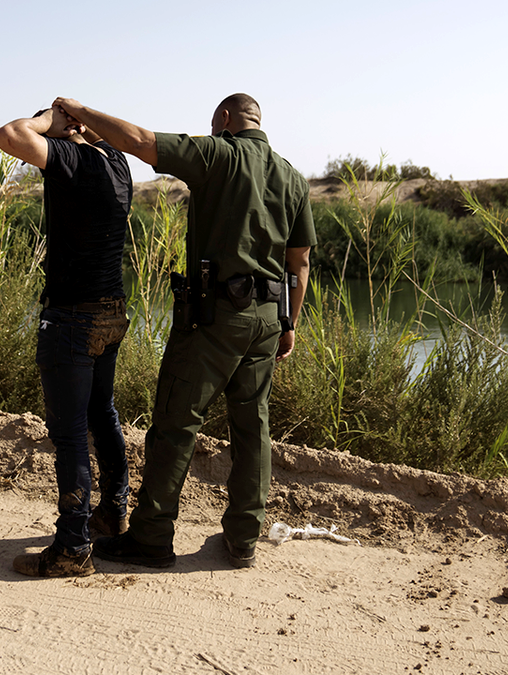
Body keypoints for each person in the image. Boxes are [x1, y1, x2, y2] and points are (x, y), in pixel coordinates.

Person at [52, 94, 316, 569]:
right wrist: (288, 323)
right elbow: (300, 262)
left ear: (225, 120)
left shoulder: (217, 153)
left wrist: (81, 111)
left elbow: (141, 142)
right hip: (265, 321)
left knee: (176, 423)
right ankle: (243, 539)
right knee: (252, 427)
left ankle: (151, 539)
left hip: (214, 317)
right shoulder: (292, 176)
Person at [0, 106, 133, 577]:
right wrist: (77, 123)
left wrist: (46, 122)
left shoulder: (75, 161)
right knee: (102, 413)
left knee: (70, 433)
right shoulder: (117, 162)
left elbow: (9, 135)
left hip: (73, 316)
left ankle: (73, 547)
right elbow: (95, 137)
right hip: (112, 312)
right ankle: (113, 513)